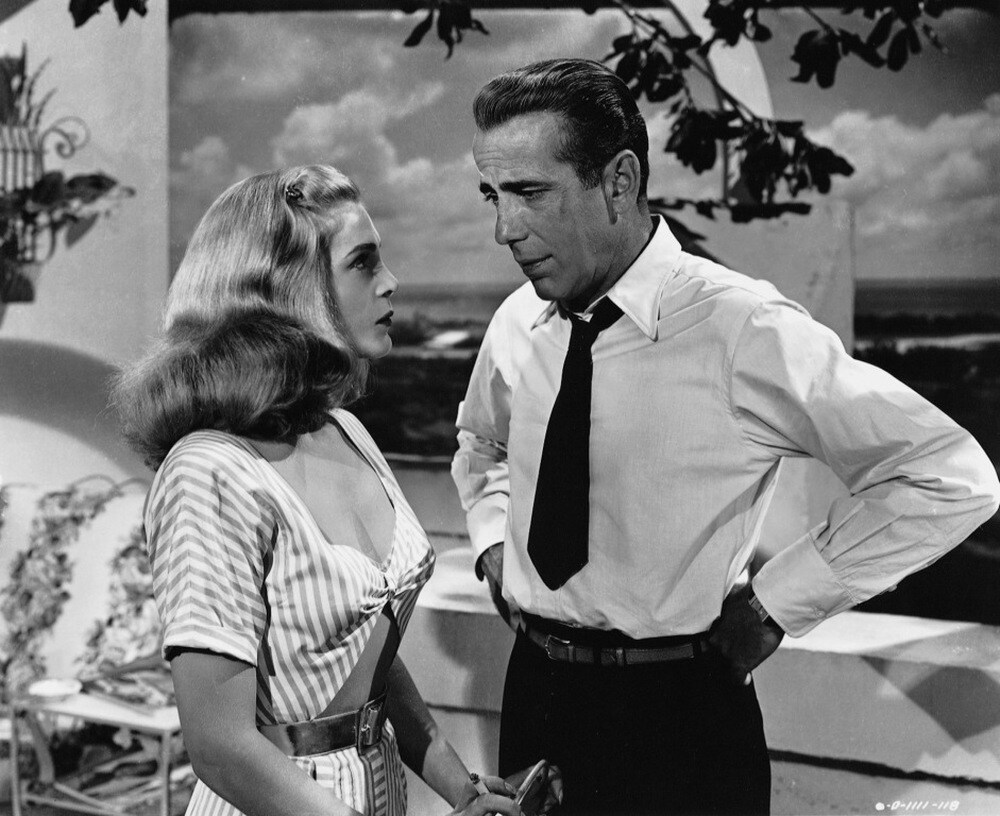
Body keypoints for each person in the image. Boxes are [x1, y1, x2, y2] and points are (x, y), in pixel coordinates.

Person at [451, 58, 1000, 815]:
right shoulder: (518, 321)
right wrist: (491, 541)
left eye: (530, 193)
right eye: (493, 195)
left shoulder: (741, 326)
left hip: (679, 718)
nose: (504, 229)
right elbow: (481, 445)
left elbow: (948, 474)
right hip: (534, 691)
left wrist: (777, 602)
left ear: (618, 181)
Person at [114, 165, 556, 816]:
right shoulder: (210, 472)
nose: (392, 281)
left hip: (378, 788)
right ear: (289, 289)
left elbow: (366, 653)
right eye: (363, 262)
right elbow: (221, 747)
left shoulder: (344, 429)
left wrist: (461, 789)